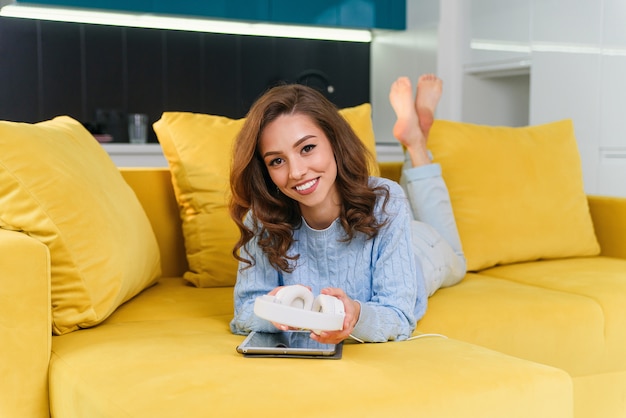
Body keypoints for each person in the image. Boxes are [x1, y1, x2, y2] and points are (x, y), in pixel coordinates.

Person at [229, 75, 464, 344]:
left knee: (458, 259)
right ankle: (416, 135)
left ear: (334, 142)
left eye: (307, 148)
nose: (296, 172)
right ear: (265, 170)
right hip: (388, 226)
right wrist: (269, 313)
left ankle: (416, 145)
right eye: (277, 161)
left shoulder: (386, 203)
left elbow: (399, 316)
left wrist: (358, 315)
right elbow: (244, 313)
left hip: (422, 250)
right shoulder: (261, 221)